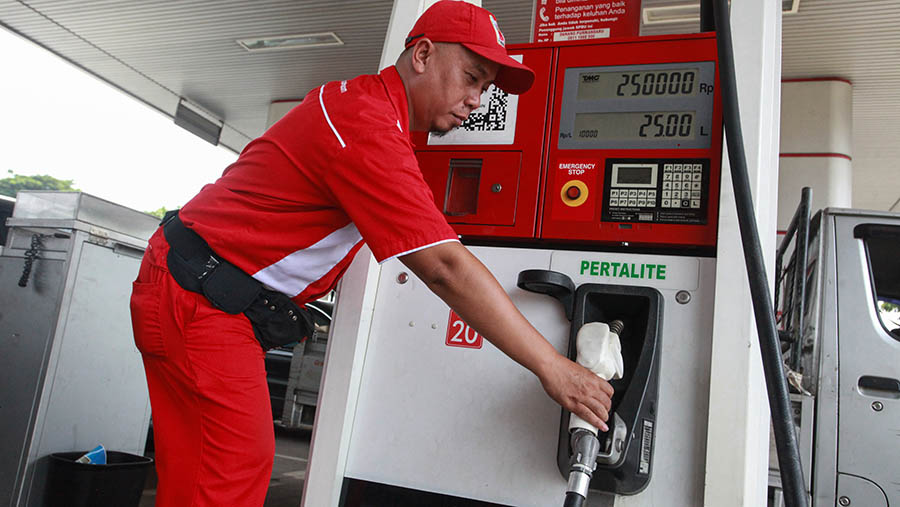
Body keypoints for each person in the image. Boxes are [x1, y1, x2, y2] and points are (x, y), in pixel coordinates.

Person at [129, 1, 614, 505]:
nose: (476, 99)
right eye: (471, 77)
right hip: (200, 300)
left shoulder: (365, 111)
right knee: (230, 476)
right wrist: (554, 368)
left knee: (199, 480)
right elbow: (445, 267)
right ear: (422, 54)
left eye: (485, 87)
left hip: (187, 283)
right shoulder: (365, 123)